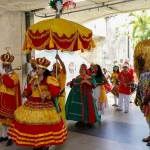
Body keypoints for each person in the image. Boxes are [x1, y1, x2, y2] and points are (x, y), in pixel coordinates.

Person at [8, 57, 67, 150]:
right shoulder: (33, 79)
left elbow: (56, 91)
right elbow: (29, 89)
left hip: (45, 105)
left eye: (39, 68)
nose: (37, 70)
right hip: (32, 103)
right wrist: (25, 93)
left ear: (44, 70)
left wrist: (47, 94)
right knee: (33, 125)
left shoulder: (49, 79)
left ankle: (44, 144)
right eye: (36, 68)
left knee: (44, 125)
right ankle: (37, 143)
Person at [0, 51, 22, 146]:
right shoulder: (2, 75)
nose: (4, 67)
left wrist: (4, 76)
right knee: (3, 119)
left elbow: (10, 84)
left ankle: (10, 137)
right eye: (3, 65)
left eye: (6, 66)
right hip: (2, 98)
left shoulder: (15, 75)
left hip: (10, 100)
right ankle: (4, 135)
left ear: (9, 66)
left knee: (9, 120)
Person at [134, 40, 150, 146]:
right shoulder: (143, 71)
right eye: (138, 58)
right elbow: (140, 84)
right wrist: (137, 96)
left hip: (148, 98)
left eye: (141, 57)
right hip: (145, 99)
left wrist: (148, 97)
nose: (139, 60)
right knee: (149, 119)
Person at [52, 54, 66, 124]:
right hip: (54, 95)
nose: (54, 68)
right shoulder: (53, 75)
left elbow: (64, 67)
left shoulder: (63, 74)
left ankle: (62, 124)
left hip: (61, 95)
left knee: (61, 109)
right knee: (54, 110)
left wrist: (59, 58)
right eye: (53, 67)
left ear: (58, 68)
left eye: (55, 67)